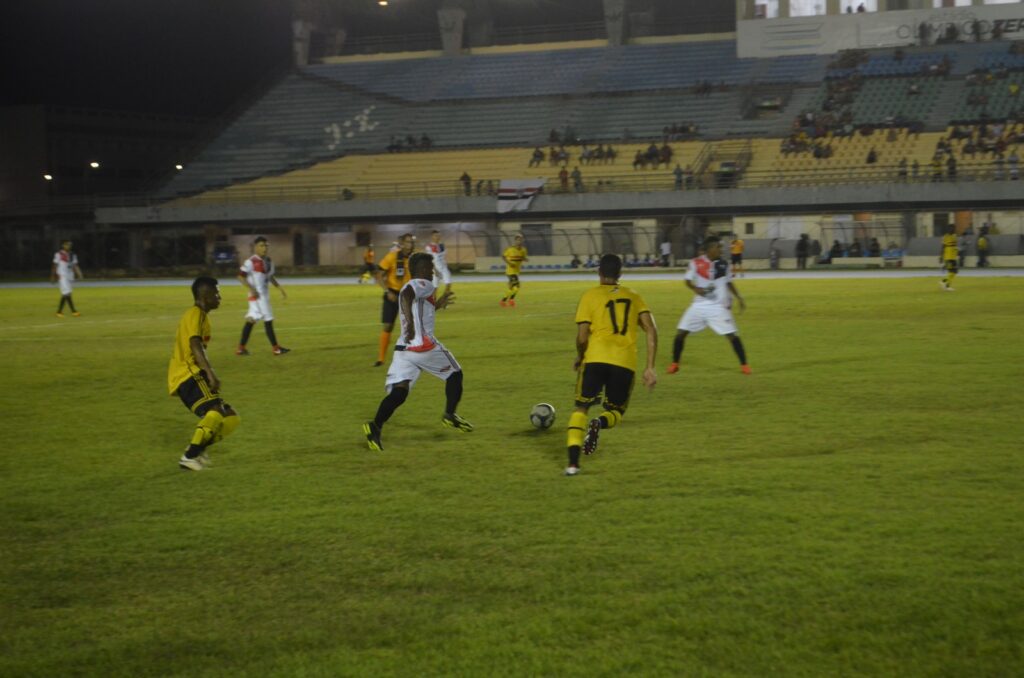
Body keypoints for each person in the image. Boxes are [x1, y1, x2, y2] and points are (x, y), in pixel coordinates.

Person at [363, 253, 471, 451]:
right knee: (455, 374)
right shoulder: (422, 284)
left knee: (399, 393)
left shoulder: (418, 287)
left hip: (404, 349)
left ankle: (375, 426)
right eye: (430, 268)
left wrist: (436, 305)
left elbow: (417, 306)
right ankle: (449, 414)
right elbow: (407, 296)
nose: (432, 271)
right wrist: (411, 324)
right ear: (421, 269)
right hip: (424, 347)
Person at [564, 254, 657, 476]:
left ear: (598, 272)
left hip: (595, 358)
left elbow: (582, 337)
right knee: (616, 412)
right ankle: (600, 422)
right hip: (624, 363)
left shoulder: (589, 296)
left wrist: (580, 356)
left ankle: (573, 464)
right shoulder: (634, 296)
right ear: (620, 273)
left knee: (581, 408)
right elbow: (651, 329)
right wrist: (650, 366)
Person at [168, 277, 240, 471]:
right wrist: (210, 373)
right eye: (216, 293)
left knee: (231, 417)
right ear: (205, 296)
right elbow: (195, 344)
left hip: (191, 373)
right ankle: (189, 457)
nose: (219, 297)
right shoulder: (196, 314)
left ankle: (197, 450)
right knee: (215, 411)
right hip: (188, 373)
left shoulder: (202, 316)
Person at [668, 236, 750, 376]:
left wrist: (739, 298)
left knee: (732, 335)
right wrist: (696, 289)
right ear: (711, 249)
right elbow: (687, 281)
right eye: (718, 247)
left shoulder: (724, 264)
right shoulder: (695, 263)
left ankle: (744, 366)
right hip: (698, 305)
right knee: (681, 333)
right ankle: (675, 364)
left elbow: (729, 282)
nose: (721, 249)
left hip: (718, 307)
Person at [236, 237, 290, 356]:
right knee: (268, 320)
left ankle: (241, 348)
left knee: (251, 320)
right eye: (261, 245)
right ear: (255, 247)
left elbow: (270, 277)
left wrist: (279, 288)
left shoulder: (269, 261)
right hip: (258, 297)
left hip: (261, 296)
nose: (264, 248)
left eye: (266, 246)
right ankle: (276, 349)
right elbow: (240, 276)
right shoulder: (250, 262)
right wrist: (252, 289)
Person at [375, 233, 415, 366]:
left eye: (412, 242)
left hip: (408, 295)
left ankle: (410, 357)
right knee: (388, 325)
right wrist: (387, 291)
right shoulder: (392, 256)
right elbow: (379, 274)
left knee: (410, 328)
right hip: (392, 294)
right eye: (408, 242)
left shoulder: (415, 257)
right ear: (402, 244)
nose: (411, 245)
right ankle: (381, 359)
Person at [52, 239, 84, 317]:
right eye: (67, 244)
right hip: (62, 276)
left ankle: (60, 311)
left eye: (70, 244)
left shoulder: (73, 254)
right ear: (63, 245)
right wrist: (53, 276)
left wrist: (79, 274)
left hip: (70, 276)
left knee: (67, 294)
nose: (68, 246)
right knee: (66, 293)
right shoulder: (58, 254)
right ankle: (72, 311)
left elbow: (75, 265)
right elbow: (55, 265)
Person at [500, 234, 528, 307]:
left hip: (516, 271)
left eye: (521, 240)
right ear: (515, 240)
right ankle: (508, 300)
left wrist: (525, 259)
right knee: (516, 287)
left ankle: (506, 300)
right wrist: (509, 263)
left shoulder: (523, 250)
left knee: (513, 287)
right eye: (518, 240)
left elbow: (523, 257)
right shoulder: (510, 249)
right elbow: (503, 256)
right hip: (510, 271)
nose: (520, 241)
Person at [424, 229, 452, 296]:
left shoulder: (442, 245)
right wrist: (434, 269)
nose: (438, 237)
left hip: (443, 267)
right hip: (435, 268)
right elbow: (430, 259)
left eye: (439, 235)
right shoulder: (429, 247)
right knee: (435, 287)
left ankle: (444, 299)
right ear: (432, 236)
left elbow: (443, 257)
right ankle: (433, 302)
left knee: (448, 283)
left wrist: (445, 266)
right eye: (436, 235)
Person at [939, 225, 959, 291]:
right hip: (948, 257)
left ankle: (943, 281)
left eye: (953, 228)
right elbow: (943, 247)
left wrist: (956, 253)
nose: (953, 230)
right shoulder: (945, 237)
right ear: (948, 229)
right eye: (951, 228)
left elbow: (955, 246)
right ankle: (947, 286)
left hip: (953, 257)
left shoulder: (955, 236)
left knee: (955, 271)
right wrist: (941, 257)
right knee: (951, 271)